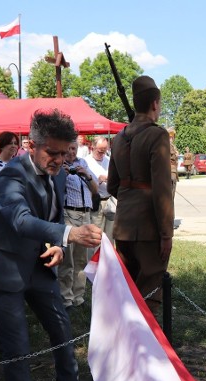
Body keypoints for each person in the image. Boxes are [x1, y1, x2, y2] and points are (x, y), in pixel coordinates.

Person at [0, 109, 101, 381]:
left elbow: (50, 213)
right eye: (53, 152)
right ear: (30, 145)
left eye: (65, 152)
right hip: (5, 268)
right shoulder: (9, 177)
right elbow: (20, 220)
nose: (60, 160)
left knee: (62, 327)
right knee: (17, 346)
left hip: (39, 264)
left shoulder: (59, 172)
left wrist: (57, 245)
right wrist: (69, 235)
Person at [107, 75, 174, 314]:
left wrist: (131, 195)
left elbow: (111, 186)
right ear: (155, 103)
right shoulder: (157, 135)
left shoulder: (119, 137)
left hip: (123, 226)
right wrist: (166, 234)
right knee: (149, 295)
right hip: (149, 229)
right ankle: (146, 348)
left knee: (127, 291)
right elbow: (162, 191)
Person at [58, 139, 99, 309]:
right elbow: (54, 188)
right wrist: (63, 175)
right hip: (69, 212)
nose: (71, 152)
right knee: (68, 259)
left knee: (82, 259)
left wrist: (86, 175)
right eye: (68, 149)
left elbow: (95, 190)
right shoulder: (59, 167)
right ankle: (65, 297)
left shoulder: (83, 163)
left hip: (86, 214)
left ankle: (78, 296)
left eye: (74, 149)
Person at [85, 136, 114, 240]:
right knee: (96, 235)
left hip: (110, 201)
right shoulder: (86, 162)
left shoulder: (108, 159)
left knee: (110, 235)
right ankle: (96, 256)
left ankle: (109, 255)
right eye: (100, 151)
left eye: (104, 150)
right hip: (96, 201)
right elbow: (84, 184)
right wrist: (98, 180)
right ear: (92, 147)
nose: (102, 154)